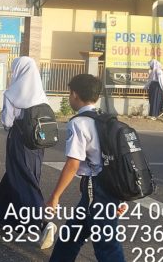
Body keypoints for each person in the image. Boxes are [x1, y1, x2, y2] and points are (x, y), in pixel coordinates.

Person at [47, 74, 125, 262]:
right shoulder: (107, 119)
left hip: (96, 188)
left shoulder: (79, 123)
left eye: (69, 93)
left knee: (106, 245)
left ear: (74, 94)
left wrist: (54, 197)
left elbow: (73, 163)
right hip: (109, 185)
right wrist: (120, 196)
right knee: (71, 235)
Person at [0, 56, 56, 249]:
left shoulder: (13, 93)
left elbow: (7, 122)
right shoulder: (40, 93)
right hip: (38, 144)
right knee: (21, 175)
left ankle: (43, 223)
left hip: (19, 141)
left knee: (23, 179)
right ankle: (6, 219)